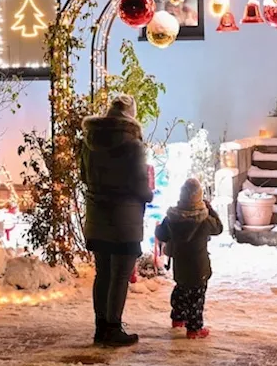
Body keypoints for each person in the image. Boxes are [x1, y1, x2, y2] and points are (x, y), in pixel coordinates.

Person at [80, 94, 153, 347]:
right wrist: (149, 193)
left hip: (97, 216)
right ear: (131, 114)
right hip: (125, 219)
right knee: (120, 275)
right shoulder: (133, 146)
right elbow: (140, 186)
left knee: (103, 273)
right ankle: (113, 327)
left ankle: (101, 327)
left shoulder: (89, 141)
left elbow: (82, 176)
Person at [154, 177, 223, 339]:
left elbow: (160, 233)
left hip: (180, 264)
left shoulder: (172, 218)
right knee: (196, 298)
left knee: (181, 290)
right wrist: (209, 208)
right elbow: (219, 228)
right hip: (199, 267)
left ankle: (178, 318)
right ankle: (194, 328)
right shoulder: (205, 220)